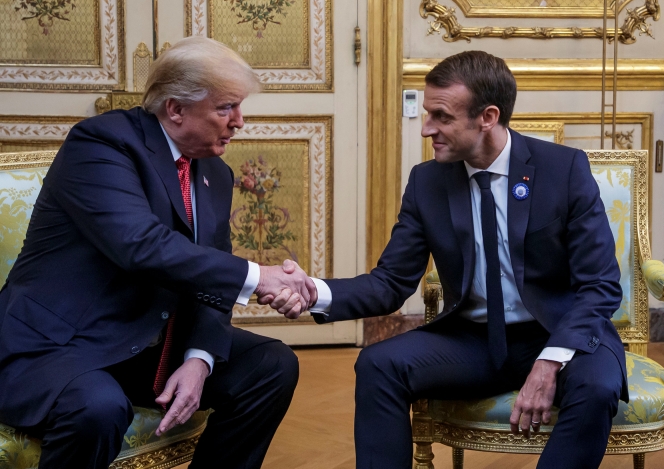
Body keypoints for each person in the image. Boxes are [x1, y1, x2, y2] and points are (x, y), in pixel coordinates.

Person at [287, 51, 626, 469]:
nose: (427, 128)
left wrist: (551, 360)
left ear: (487, 116)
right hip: (474, 341)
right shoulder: (426, 182)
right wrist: (314, 292)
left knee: (597, 387)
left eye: (441, 117)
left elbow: (601, 285)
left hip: (559, 333)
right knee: (378, 365)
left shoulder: (563, 170)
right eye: (428, 114)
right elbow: (391, 281)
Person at [0, 36, 317, 469]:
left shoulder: (215, 174)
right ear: (176, 108)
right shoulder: (101, 145)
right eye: (226, 108)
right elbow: (141, 245)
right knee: (98, 408)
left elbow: (210, 284)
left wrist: (199, 359)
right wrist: (259, 277)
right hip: (60, 343)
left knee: (271, 366)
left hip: (146, 337)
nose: (239, 121)